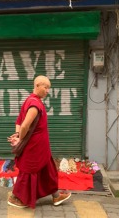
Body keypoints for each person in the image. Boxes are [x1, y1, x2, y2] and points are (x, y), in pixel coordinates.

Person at [7, 75, 71, 209]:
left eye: (49, 88)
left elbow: (19, 122)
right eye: (45, 87)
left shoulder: (29, 100)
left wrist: (18, 135)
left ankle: (56, 196)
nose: (48, 91)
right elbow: (24, 125)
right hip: (35, 147)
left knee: (48, 170)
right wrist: (20, 138)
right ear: (37, 86)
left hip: (41, 147)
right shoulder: (35, 105)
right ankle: (19, 199)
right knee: (29, 172)